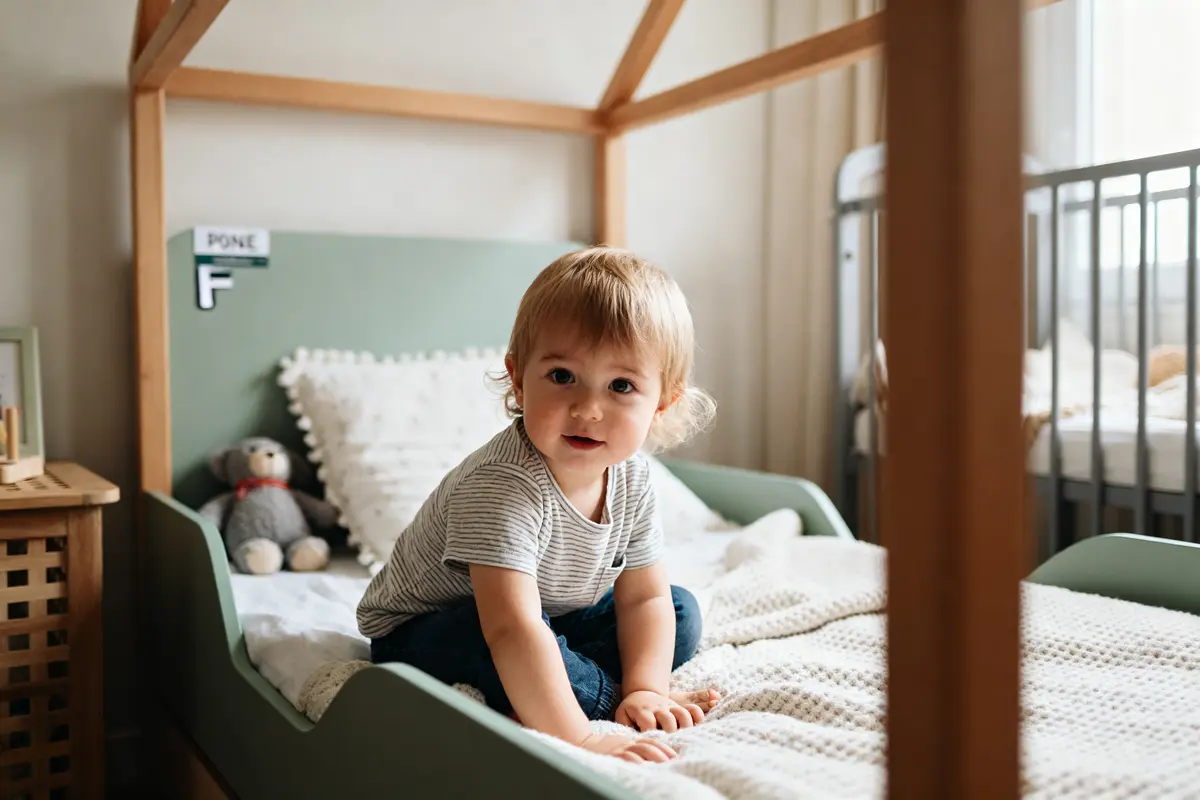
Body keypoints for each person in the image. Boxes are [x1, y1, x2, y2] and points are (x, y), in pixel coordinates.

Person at [357, 246, 720, 763]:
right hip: (431, 633)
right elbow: (510, 626)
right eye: (562, 376)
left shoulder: (634, 477)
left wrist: (647, 687)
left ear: (663, 400)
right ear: (518, 379)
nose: (588, 409)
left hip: (549, 616)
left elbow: (643, 599)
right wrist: (583, 736)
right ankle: (582, 698)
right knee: (505, 642)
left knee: (678, 610)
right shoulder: (502, 485)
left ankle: (581, 687)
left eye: (621, 386)